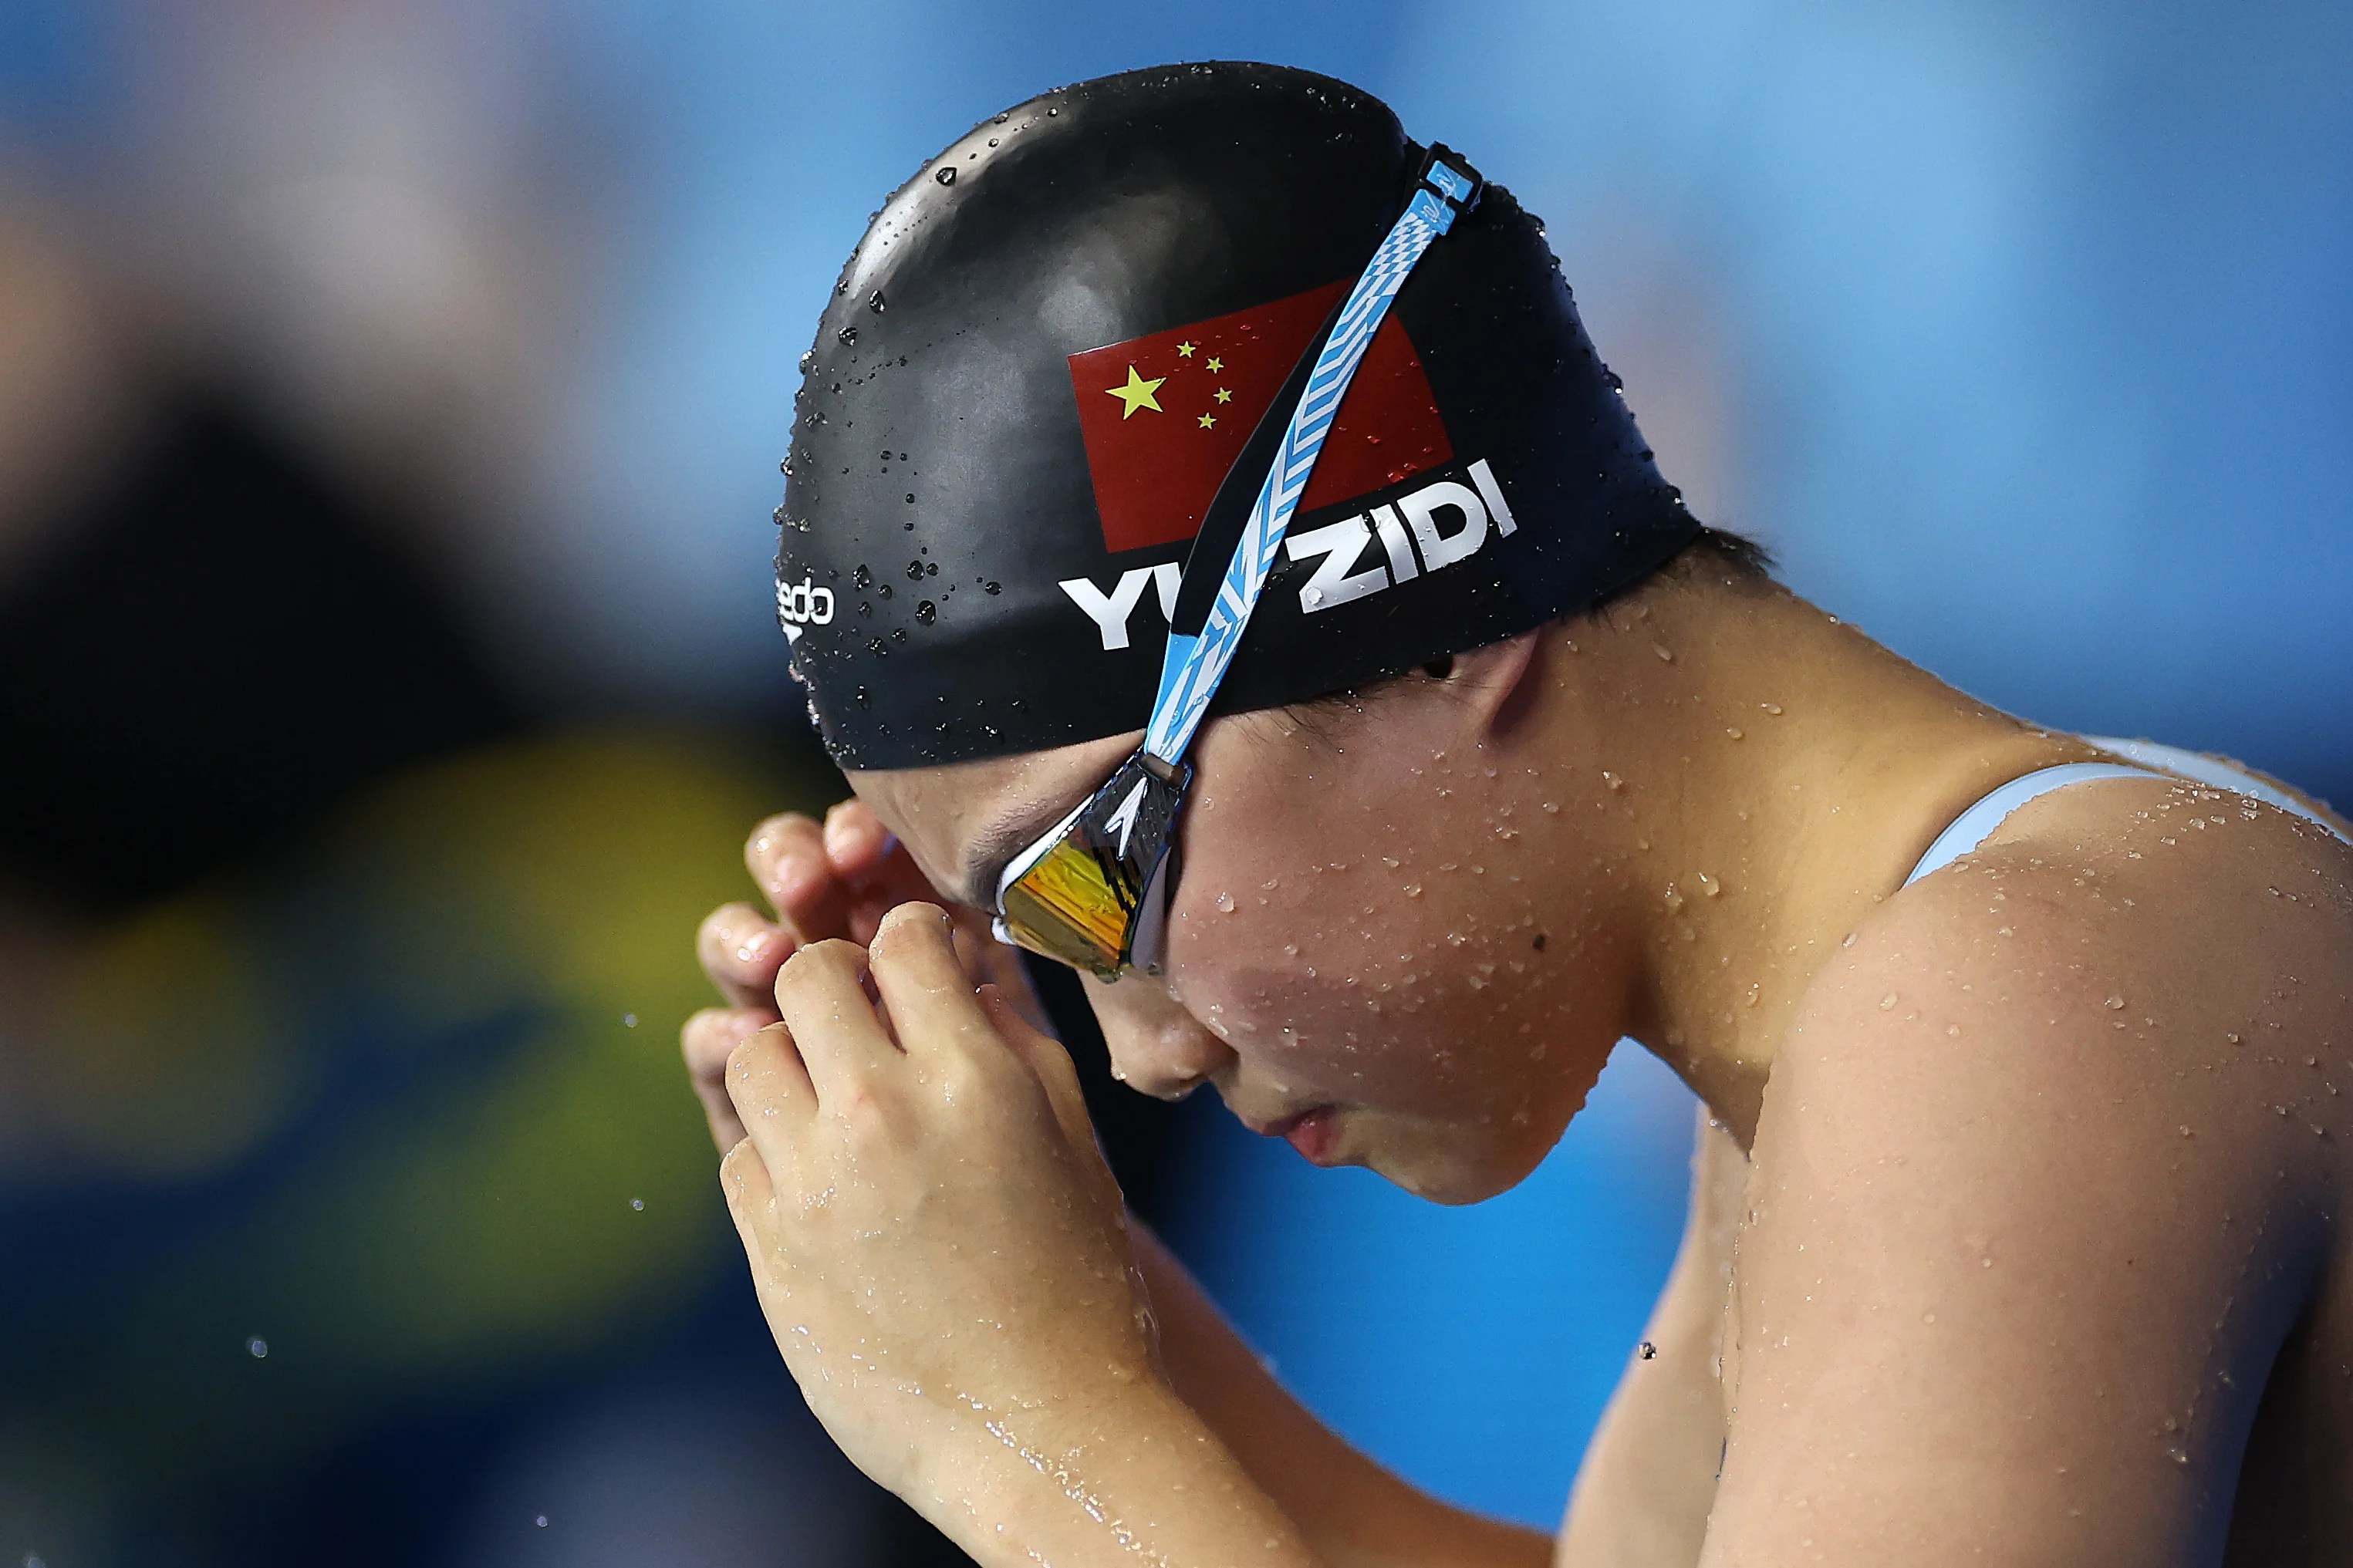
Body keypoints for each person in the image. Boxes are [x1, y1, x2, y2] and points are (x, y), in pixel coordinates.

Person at [682, 64, 2353, 1567]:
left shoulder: (2007, 1008)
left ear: (1429, 628)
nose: (1142, 1056)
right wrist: (1080, 1316)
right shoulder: (1874, 1001)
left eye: (1094, 886)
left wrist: (1031, 1443)